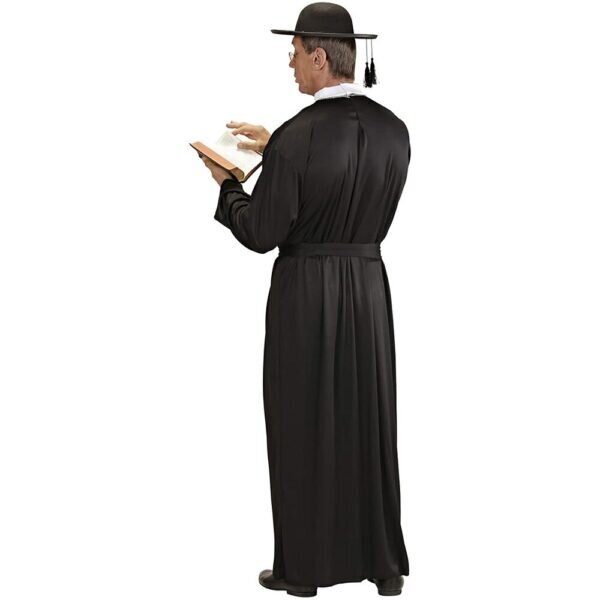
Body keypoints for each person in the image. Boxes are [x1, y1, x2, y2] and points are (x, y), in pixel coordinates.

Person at [199, 3, 411, 597]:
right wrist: (277, 149)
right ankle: (385, 567)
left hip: (305, 296)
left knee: (299, 424)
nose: (289, 64)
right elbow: (341, 175)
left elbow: (261, 232)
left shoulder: (298, 136)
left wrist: (228, 185)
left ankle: (303, 571)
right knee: (370, 423)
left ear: (319, 57)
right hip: (368, 292)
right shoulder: (395, 130)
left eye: (294, 52)